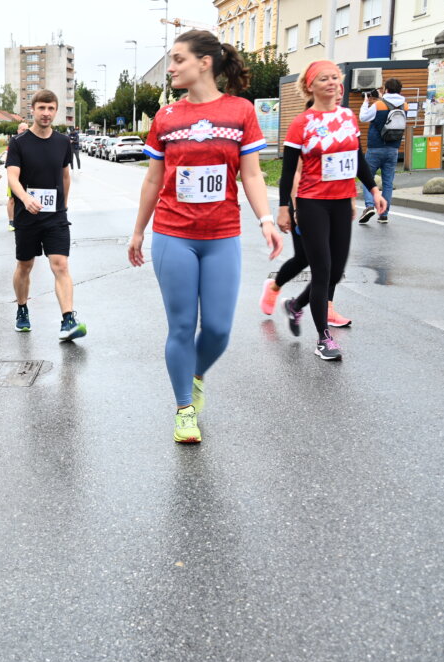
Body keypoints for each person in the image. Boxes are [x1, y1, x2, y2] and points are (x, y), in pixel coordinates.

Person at [129, 30, 282, 444]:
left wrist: (266, 218)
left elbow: (250, 173)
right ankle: (183, 409)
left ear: (204, 63)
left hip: (222, 235)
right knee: (181, 326)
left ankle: (194, 376)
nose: (172, 67)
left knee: (217, 329)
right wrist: (139, 231)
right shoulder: (166, 118)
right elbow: (153, 179)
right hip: (173, 233)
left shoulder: (240, 112)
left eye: (178, 59)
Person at [279, 60, 386, 361]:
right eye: (324, 79)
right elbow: (287, 173)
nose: (332, 83)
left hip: (341, 202)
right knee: (323, 270)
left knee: (336, 272)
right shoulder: (302, 123)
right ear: (310, 85)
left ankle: (295, 306)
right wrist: (285, 207)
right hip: (312, 202)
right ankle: (323, 338)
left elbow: (357, 158)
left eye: (335, 78)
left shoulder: (348, 117)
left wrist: (373, 190)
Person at [260, 96, 353, 328]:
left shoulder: (339, 130)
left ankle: (322, 307)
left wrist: (349, 199)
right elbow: (295, 175)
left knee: (330, 262)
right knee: (304, 258)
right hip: (305, 203)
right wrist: (294, 208)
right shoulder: (308, 131)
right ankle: (275, 287)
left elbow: (343, 172)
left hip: (332, 201)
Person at [7, 92, 85, 341]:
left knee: (60, 265)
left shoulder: (63, 142)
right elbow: (12, 177)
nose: (46, 113)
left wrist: (63, 205)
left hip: (55, 217)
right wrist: (25, 198)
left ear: (56, 111)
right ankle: (21, 308)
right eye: (42, 108)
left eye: (51, 108)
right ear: (33, 110)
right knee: (25, 265)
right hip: (27, 216)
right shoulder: (19, 143)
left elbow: (65, 176)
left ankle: (68, 319)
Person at [358, 78, 405, 224]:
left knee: (367, 178)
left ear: (386, 89)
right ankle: (384, 214)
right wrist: (381, 98)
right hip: (393, 148)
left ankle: (370, 206)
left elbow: (363, 117)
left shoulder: (378, 104)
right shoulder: (405, 105)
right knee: (388, 182)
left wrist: (366, 101)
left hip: (375, 148)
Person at [6, 121, 29, 232]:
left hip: (27, 178)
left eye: (26, 129)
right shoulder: (14, 142)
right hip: (14, 177)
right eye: (22, 129)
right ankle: (11, 221)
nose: (24, 131)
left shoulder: (30, 141)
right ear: (18, 130)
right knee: (12, 200)